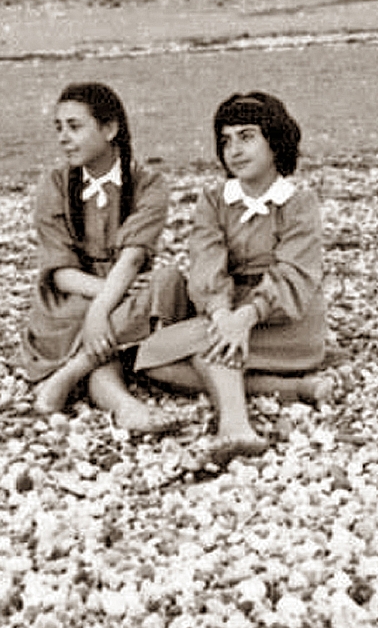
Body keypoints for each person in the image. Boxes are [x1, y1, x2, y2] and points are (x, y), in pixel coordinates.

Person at [134, 92, 330, 465]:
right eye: (226, 140)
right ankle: (294, 388)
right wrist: (223, 315)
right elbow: (206, 262)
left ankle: (237, 426)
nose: (234, 149)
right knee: (152, 360)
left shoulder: (298, 202)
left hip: (287, 319)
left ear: (275, 142)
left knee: (210, 352)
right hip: (227, 312)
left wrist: (246, 317)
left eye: (246, 136)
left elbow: (294, 274)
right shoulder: (214, 200)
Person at [17, 82, 188, 434]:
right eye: (59, 128)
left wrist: (102, 310)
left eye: (75, 126)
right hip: (77, 302)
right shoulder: (55, 184)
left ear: (110, 129)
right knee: (107, 326)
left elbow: (131, 260)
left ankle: (71, 375)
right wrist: (107, 301)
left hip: (120, 295)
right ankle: (124, 403)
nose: (63, 137)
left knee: (168, 279)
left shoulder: (148, 183)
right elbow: (61, 273)